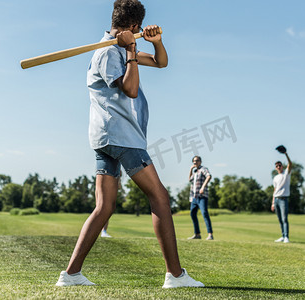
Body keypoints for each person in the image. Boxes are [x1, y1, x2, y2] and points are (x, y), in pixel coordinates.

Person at [55, 0, 203, 289]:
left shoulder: (118, 48)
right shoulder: (109, 51)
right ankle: (175, 275)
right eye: (136, 31)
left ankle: (70, 274)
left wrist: (157, 42)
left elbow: (161, 62)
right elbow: (131, 89)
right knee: (159, 197)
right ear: (133, 27)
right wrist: (132, 51)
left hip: (106, 137)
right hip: (121, 135)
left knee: (105, 207)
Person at [188, 156, 213, 240]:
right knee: (193, 214)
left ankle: (210, 234)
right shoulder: (195, 172)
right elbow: (190, 180)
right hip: (194, 197)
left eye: (197, 161)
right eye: (194, 161)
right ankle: (197, 234)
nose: (195, 162)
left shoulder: (203, 169)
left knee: (204, 213)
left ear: (200, 161)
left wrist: (203, 187)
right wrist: (191, 170)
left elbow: (209, 176)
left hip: (202, 196)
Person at [271, 152, 292, 243]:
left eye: (280, 165)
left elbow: (290, 164)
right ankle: (283, 236)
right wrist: (272, 202)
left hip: (283, 199)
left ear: (282, 166)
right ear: (275, 168)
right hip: (276, 199)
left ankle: (286, 237)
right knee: (280, 219)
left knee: (284, 219)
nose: (278, 167)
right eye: (277, 166)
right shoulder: (275, 177)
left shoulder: (286, 174)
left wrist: (286, 154)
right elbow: (275, 189)